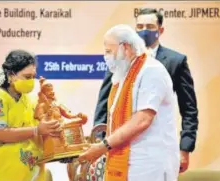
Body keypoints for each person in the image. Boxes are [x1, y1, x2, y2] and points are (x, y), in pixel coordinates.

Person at [93, 8, 198, 173]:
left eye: (149, 26)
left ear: (160, 30)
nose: (144, 31)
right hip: (121, 148)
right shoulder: (121, 60)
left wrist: (185, 148)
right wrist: (100, 142)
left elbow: (189, 109)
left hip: (153, 151)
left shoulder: (174, 61)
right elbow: (106, 104)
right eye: (139, 27)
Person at [79, 24, 180, 181]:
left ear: (125, 47)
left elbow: (142, 120)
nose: (106, 57)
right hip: (129, 162)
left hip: (149, 164)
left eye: (108, 51)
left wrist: (103, 146)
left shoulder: (151, 71)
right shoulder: (123, 76)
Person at [0, 50, 61, 181]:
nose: (31, 81)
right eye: (27, 77)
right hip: (0, 162)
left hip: (28, 161)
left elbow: (40, 124)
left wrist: (51, 124)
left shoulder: (29, 99)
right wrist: (37, 130)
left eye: (33, 76)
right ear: (11, 75)